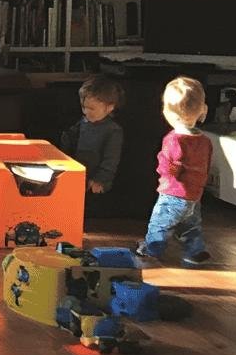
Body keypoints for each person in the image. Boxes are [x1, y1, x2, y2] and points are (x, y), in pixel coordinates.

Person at [138, 76, 213, 267]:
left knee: (160, 223)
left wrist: (165, 172)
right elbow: (206, 164)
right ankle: (194, 251)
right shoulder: (204, 140)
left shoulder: (174, 140)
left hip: (173, 193)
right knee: (191, 226)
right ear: (201, 110)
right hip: (194, 195)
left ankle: (151, 249)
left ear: (168, 113)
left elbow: (170, 167)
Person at [58, 76, 125, 215]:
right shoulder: (83, 121)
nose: (86, 112)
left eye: (92, 109)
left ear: (109, 107)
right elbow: (70, 137)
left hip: (96, 180)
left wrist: (100, 180)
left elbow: (111, 159)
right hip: (78, 173)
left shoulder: (113, 131)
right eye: (84, 107)